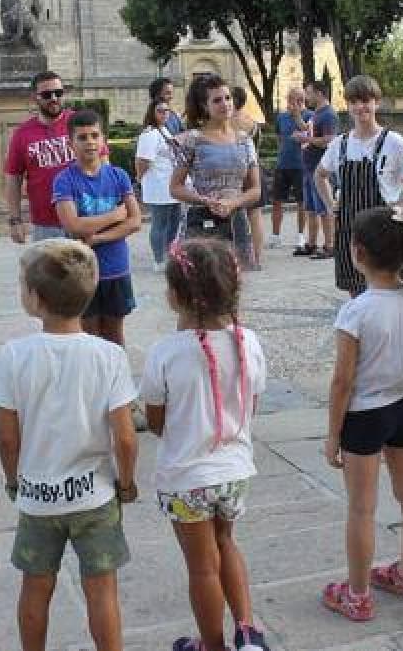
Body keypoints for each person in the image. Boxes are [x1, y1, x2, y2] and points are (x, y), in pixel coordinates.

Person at [0, 238, 139, 651]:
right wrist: (126, 482)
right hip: (95, 497)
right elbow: (125, 437)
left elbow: (5, 435)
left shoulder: (15, 355)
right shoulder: (109, 356)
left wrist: (15, 480)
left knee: (36, 587)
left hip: (38, 498)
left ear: (34, 299)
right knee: (102, 590)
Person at [141, 238, 270, 651]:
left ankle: (211, 644)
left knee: (201, 569)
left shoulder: (165, 353)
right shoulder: (248, 341)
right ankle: (248, 631)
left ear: (175, 296)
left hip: (186, 477)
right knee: (226, 543)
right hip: (235, 471)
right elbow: (252, 404)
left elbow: (157, 422)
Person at [320, 205, 403, 622]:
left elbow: (342, 382)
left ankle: (358, 593)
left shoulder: (357, 310)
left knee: (361, 508)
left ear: (358, 252)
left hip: (365, 414)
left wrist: (333, 435)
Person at [315, 75, 403, 297]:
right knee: (356, 294)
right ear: (348, 105)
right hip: (351, 230)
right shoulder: (340, 144)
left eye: (365, 100)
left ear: (376, 102)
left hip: (387, 230)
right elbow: (320, 175)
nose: (360, 107)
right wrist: (331, 205)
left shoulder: (394, 142)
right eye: (354, 102)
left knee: (392, 293)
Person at [53, 110, 142, 347]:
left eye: (95, 135)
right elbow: (73, 225)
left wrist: (98, 238)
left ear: (104, 139)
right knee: (89, 334)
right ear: (71, 143)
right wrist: (114, 215)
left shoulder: (118, 176)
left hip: (116, 267)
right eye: (82, 137)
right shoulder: (64, 180)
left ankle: (117, 381)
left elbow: (134, 221)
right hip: (83, 270)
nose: (90, 142)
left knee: (114, 334)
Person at [168, 74, 261, 270]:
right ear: (204, 106)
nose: (225, 104)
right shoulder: (191, 140)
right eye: (217, 100)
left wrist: (233, 202)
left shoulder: (245, 141)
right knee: (200, 285)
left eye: (227, 98)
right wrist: (205, 200)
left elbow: (255, 190)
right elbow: (175, 188)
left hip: (237, 224)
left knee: (233, 287)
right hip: (201, 222)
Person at [5, 71, 82, 242]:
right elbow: (13, 178)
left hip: (86, 217)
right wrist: (15, 220)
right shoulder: (22, 134)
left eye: (59, 93)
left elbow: (103, 164)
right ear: (35, 97)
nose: (54, 98)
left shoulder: (80, 123)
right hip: (46, 225)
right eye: (47, 94)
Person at [135, 99, 184, 267]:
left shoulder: (165, 130)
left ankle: (168, 254)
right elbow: (143, 160)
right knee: (160, 224)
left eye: (167, 111)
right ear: (152, 112)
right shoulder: (149, 134)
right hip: (158, 186)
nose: (165, 114)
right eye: (160, 111)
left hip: (172, 185)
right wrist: (139, 178)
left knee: (174, 222)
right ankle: (159, 259)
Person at [294, 80, 337, 260]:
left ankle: (330, 245)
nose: (306, 96)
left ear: (319, 93)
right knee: (311, 208)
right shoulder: (316, 114)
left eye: (309, 93)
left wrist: (307, 140)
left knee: (324, 208)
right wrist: (296, 115)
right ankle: (311, 244)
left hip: (321, 170)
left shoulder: (328, 114)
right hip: (309, 168)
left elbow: (329, 140)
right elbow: (308, 129)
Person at [231, 85, 267, 265]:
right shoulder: (251, 121)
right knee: (255, 215)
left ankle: (238, 257)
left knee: (237, 215)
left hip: (239, 173)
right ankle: (257, 257)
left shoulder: (230, 123)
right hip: (255, 169)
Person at [270, 87, 309, 250]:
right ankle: (276, 236)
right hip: (282, 165)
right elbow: (279, 137)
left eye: (293, 100)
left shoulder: (310, 115)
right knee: (277, 201)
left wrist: (297, 115)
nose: (290, 104)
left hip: (301, 166)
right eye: (289, 100)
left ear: (301, 101)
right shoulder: (281, 117)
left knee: (302, 202)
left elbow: (307, 132)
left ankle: (300, 236)